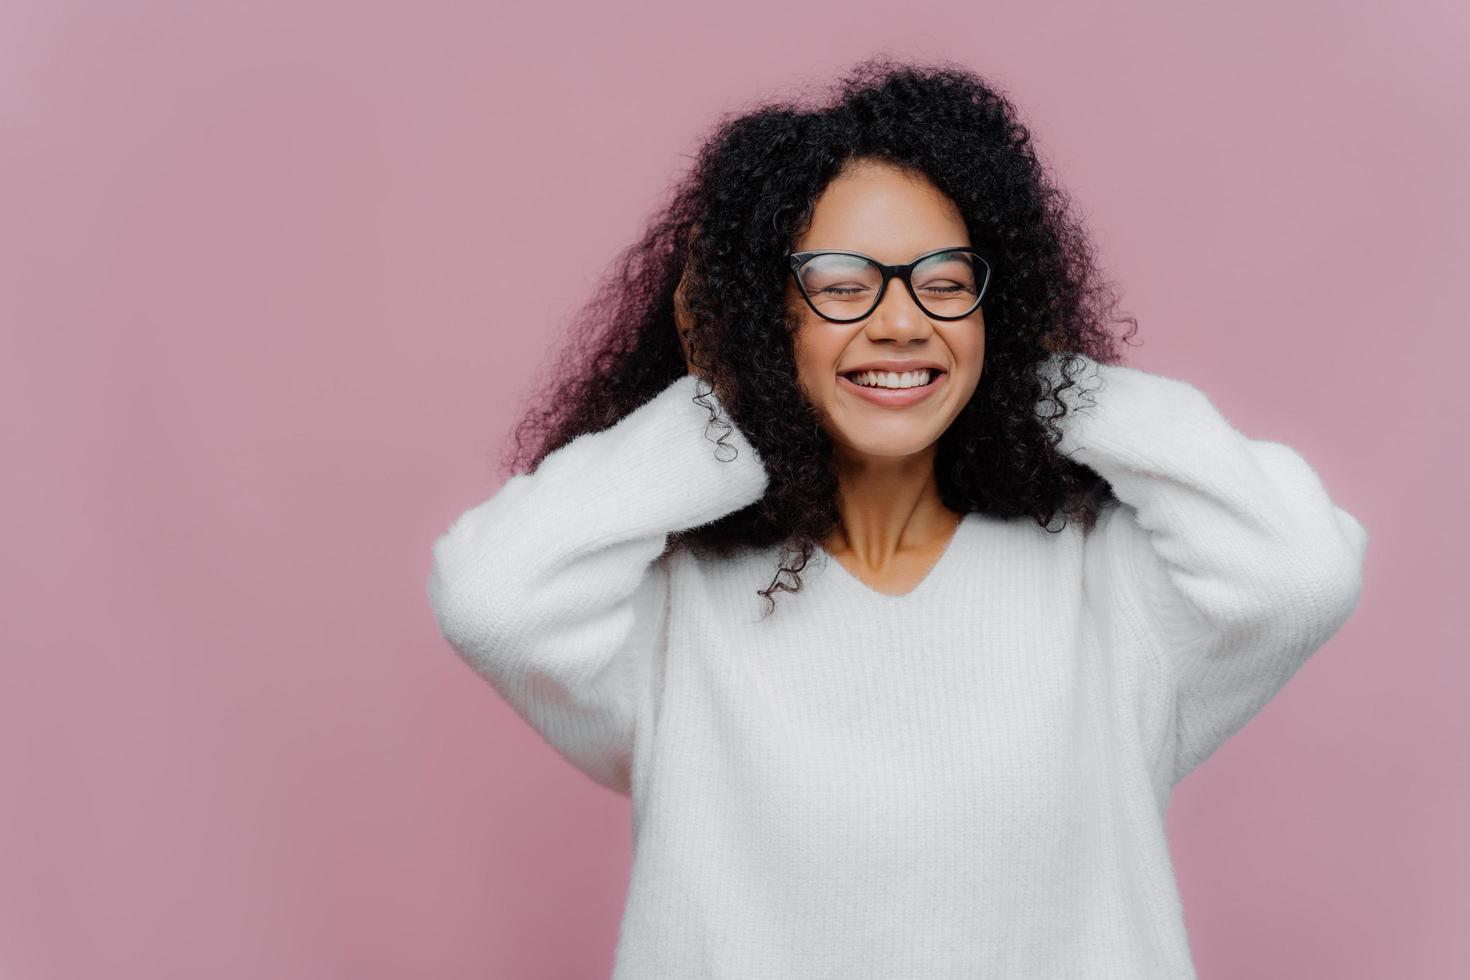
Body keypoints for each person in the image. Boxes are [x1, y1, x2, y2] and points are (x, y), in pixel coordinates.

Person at [426, 57, 1368, 980]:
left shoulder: (1104, 582)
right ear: (761, 314)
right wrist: (719, 403)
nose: (902, 322)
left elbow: (1298, 571)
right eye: (841, 284)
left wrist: (1049, 383)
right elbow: (495, 599)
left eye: (946, 280)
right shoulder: (674, 610)